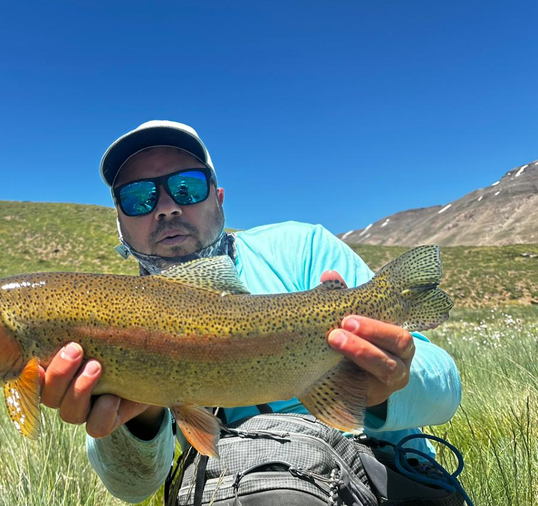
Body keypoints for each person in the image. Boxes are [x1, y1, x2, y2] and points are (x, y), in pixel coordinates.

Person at [38, 121, 462, 504]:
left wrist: (387, 385)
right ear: (120, 222)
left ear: (218, 199)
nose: (166, 207)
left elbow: (446, 391)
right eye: (138, 197)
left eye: (186, 187)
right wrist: (145, 406)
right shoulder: (105, 317)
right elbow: (133, 488)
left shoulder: (303, 248)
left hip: (378, 472)